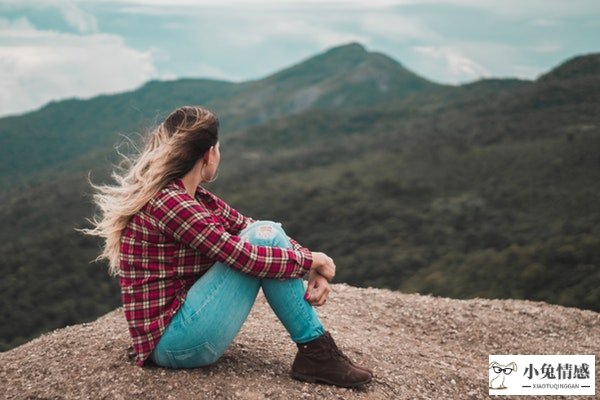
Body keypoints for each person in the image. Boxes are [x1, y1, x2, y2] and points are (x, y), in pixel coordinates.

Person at [82, 105, 372, 388]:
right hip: (174, 343)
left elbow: (252, 226)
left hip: (181, 331)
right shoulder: (171, 203)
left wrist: (311, 264)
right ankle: (317, 352)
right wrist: (311, 261)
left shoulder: (193, 198)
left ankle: (317, 353)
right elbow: (243, 255)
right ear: (209, 154)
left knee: (263, 231)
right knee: (260, 240)